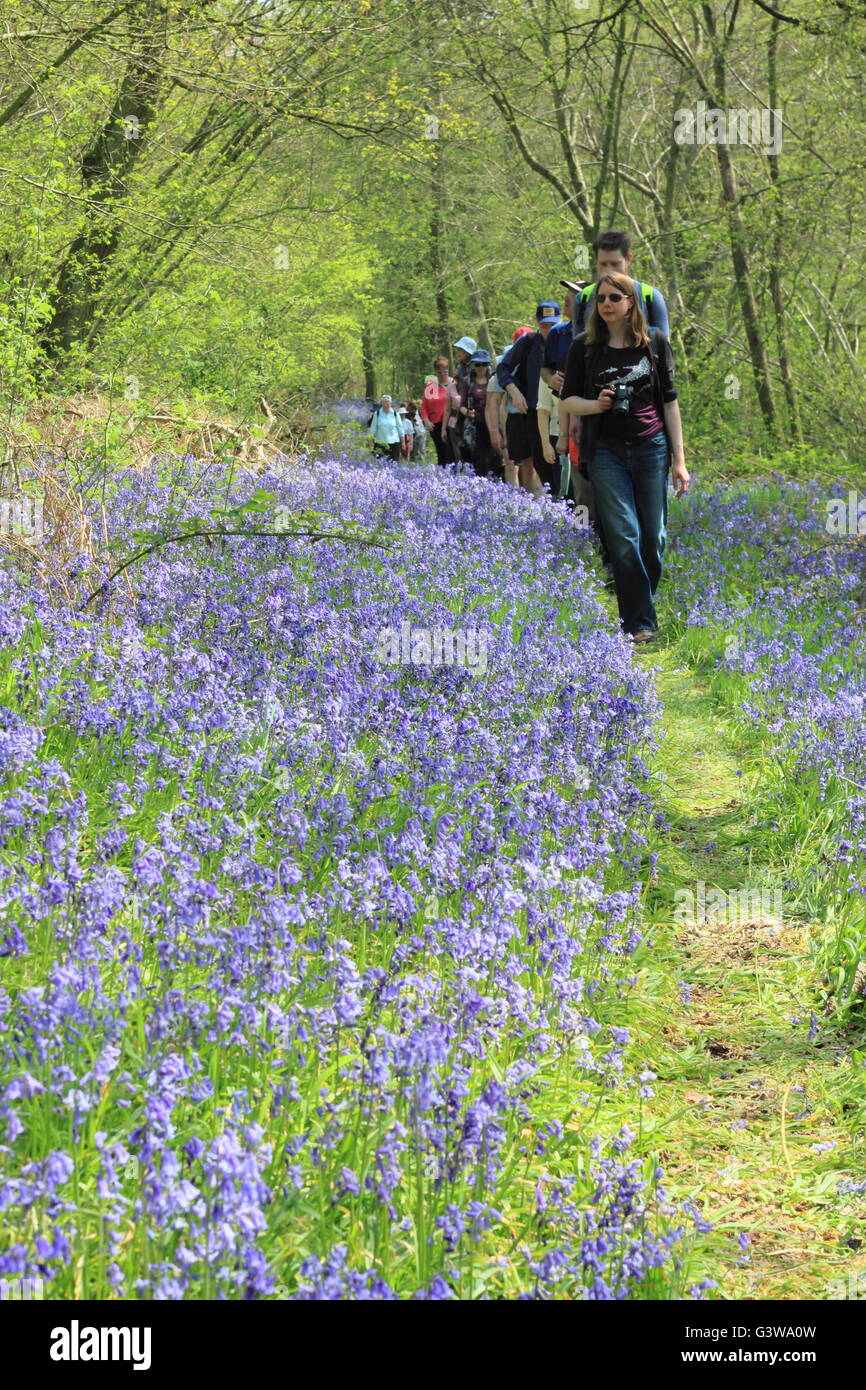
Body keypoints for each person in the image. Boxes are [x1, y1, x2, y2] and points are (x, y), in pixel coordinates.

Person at [560, 271, 689, 643]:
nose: (606, 305)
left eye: (615, 298)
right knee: (623, 536)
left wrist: (679, 461)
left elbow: (670, 403)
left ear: (631, 302)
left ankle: (641, 604)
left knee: (654, 537)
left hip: (652, 448)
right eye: (601, 299)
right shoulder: (584, 347)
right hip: (606, 452)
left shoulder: (656, 343)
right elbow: (567, 400)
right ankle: (639, 623)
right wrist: (595, 404)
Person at [496, 302, 561, 495]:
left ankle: (564, 506)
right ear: (537, 323)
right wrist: (513, 391)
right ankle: (554, 506)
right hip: (535, 413)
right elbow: (502, 369)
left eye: (553, 325)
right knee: (540, 463)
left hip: (564, 413)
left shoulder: (569, 341)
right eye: (544, 326)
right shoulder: (528, 342)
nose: (548, 331)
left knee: (563, 465)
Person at [486, 328, 533, 488]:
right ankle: (517, 502)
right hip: (513, 420)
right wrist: (495, 432)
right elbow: (493, 402)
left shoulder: (540, 353)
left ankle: (536, 503)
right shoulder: (505, 363)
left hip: (535, 416)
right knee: (512, 464)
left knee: (532, 467)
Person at [459, 349, 500, 478]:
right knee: (479, 456)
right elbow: (461, 406)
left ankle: (496, 481)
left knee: (495, 454)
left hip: (494, 422)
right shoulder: (467, 381)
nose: (481, 368)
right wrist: (468, 412)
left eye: (484, 364)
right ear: (473, 365)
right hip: (476, 424)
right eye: (477, 364)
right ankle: (480, 481)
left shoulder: (495, 379)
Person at [421, 357, 461, 467]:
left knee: (453, 451)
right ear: (435, 372)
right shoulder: (431, 386)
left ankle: (456, 475)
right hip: (436, 423)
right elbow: (424, 406)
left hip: (452, 421)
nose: (442, 374)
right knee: (441, 451)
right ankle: (442, 476)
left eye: (445, 371)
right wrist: (426, 421)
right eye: (439, 372)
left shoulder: (455, 383)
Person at [449, 335, 477, 462]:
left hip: (472, 406)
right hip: (458, 407)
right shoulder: (459, 365)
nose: (457, 352)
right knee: (457, 438)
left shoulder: (477, 365)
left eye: (460, 349)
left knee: (472, 441)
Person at [368, 393, 402, 460]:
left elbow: (400, 429)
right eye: (384, 402)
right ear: (381, 403)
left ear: (390, 403)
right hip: (380, 442)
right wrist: (370, 442)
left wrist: (403, 443)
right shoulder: (377, 414)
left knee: (394, 463)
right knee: (379, 463)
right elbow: (373, 429)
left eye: (387, 402)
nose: (385, 404)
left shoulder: (395, 414)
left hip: (394, 443)